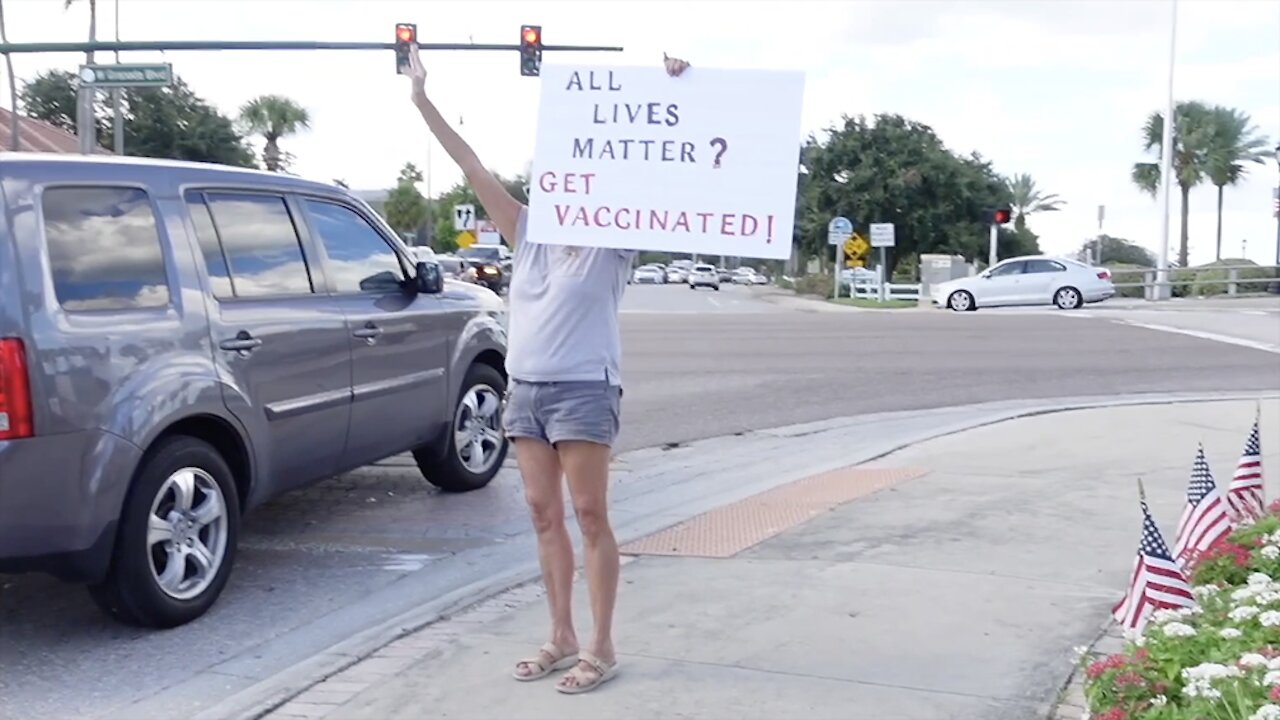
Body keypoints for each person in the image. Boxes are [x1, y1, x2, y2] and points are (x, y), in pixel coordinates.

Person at [403, 48, 691, 694]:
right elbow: (469, 163)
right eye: (552, 175)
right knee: (541, 513)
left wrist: (671, 92)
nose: (560, 183)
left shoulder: (614, 239)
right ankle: (560, 635)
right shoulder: (525, 232)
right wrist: (422, 99)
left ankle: (602, 645)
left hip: (584, 389)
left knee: (589, 514)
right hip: (525, 389)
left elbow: (659, 170)